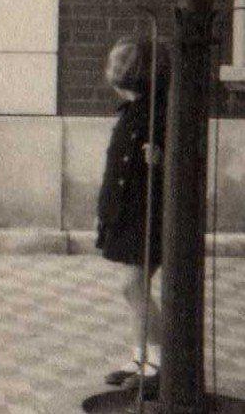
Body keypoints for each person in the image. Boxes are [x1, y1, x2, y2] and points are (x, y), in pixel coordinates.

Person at [97, 35, 168, 396]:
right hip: (131, 214)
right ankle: (142, 357)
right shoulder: (133, 110)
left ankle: (158, 362)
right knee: (133, 289)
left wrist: (159, 157)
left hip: (148, 215)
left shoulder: (157, 113)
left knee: (132, 285)